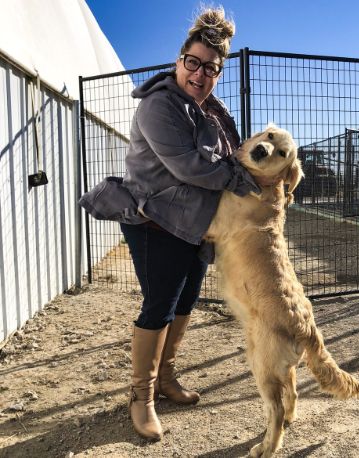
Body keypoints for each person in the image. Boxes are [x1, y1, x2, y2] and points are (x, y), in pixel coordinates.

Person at [80, 6, 265, 441]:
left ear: (218, 73)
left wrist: (241, 172)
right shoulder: (159, 105)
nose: (200, 75)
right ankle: (140, 396)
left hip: (195, 225)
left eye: (211, 69)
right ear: (179, 61)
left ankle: (166, 378)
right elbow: (190, 168)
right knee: (160, 304)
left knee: (184, 304)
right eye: (193, 63)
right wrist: (243, 180)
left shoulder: (213, 111)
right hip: (155, 222)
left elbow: (233, 153)